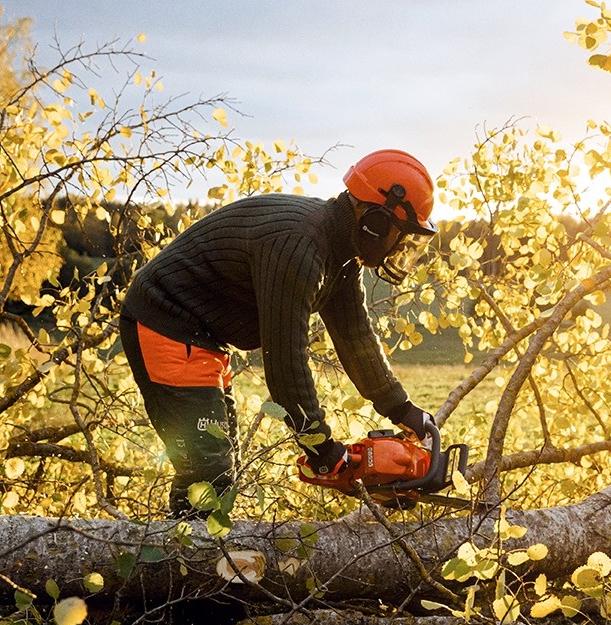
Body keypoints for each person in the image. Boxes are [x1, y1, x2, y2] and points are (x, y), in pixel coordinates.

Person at [119, 149, 438, 518]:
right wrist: (323, 452)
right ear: (375, 223)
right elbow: (285, 365)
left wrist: (403, 409)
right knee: (207, 469)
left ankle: (197, 557)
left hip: (205, 336)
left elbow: (356, 338)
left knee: (222, 464)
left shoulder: (342, 255)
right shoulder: (300, 247)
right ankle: (182, 566)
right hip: (166, 319)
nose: (401, 249)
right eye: (403, 237)